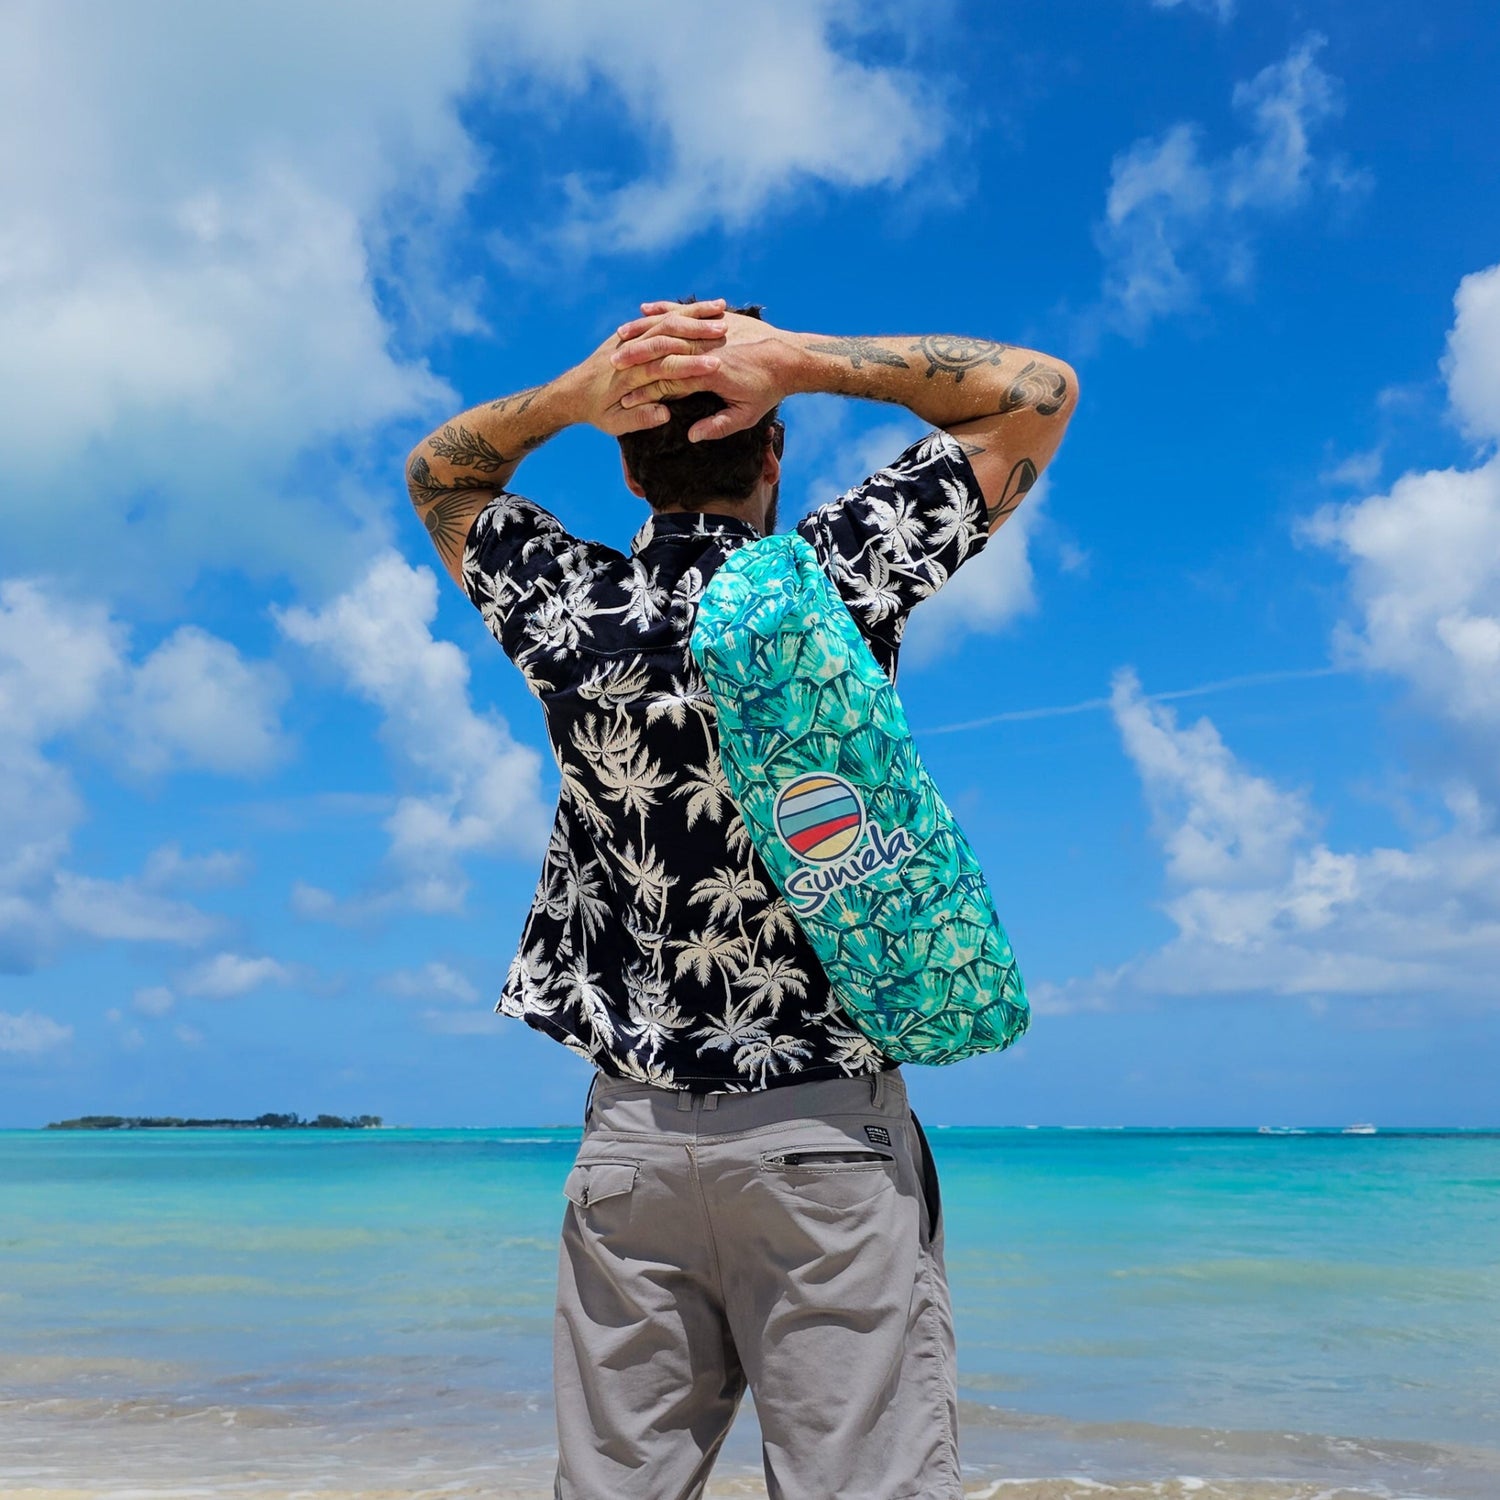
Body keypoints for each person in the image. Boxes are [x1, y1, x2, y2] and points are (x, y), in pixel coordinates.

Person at [406, 298, 1079, 1500]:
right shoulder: (827, 581)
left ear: (626, 457)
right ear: (771, 444)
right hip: (821, 1138)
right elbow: (1038, 391)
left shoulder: (571, 612)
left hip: (630, 1152)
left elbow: (440, 479)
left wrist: (572, 392)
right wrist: (804, 364)